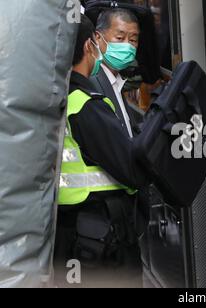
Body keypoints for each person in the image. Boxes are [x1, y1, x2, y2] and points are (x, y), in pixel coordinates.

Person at [54, 14, 150, 288]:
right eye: (119, 38)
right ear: (90, 45)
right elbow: (131, 168)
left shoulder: (60, 98)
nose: (127, 46)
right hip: (99, 239)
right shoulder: (85, 104)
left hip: (75, 233)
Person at [90, 9, 141, 138]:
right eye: (120, 38)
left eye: (133, 40)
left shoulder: (117, 80)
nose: (127, 46)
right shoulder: (92, 83)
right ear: (98, 38)